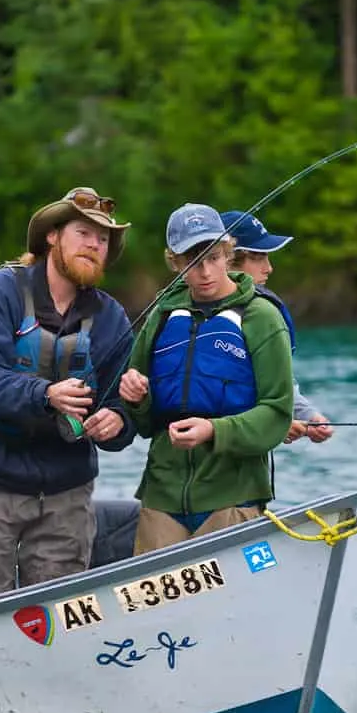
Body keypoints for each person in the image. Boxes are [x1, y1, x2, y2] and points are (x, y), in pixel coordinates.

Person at [0, 186, 135, 602]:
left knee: (61, 614)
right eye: (84, 233)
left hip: (65, 488)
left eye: (103, 239)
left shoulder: (111, 316)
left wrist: (116, 420)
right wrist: (46, 395)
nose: (95, 245)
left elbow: (123, 408)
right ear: (52, 237)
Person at [119, 203, 293, 556]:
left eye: (214, 257)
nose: (205, 272)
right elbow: (143, 421)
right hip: (161, 496)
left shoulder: (263, 317)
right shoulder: (162, 317)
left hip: (233, 497)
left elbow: (277, 414)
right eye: (192, 261)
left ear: (228, 254)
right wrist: (136, 398)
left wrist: (215, 431)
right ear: (175, 263)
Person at [221, 210, 333, 447]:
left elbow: (278, 383)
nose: (269, 268)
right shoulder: (187, 317)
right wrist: (272, 424)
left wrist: (308, 415)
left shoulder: (260, 314)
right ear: (228, 259)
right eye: (259, 257)